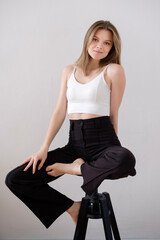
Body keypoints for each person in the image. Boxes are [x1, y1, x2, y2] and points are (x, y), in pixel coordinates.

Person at [5, 20, 136, 229]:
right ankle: (72, 208)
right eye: (95, 39)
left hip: (103, 141)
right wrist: (43, 149)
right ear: (87, 40)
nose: (99, 46)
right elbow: (59, 111)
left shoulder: (113, 71)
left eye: (107, 43)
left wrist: (113, 153)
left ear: (112, 48)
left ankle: (75, 168)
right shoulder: (69, 71)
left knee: (126, 158)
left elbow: (113, 114)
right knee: (16, 179)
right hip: (74, 144)